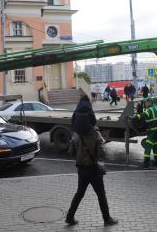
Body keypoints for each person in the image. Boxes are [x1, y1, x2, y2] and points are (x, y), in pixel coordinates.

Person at [66, 95, 118, 226]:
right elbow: (102, 153)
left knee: (79, 194)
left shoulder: (75, 135)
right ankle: (107, 219)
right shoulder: (95, 134)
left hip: (81, 169)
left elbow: (70, 152)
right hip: (93, 170)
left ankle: (69, 217)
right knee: (101, 194)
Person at [134, 97, 157, 168]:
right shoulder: (156, 107)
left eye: (146, 102)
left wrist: (134, 117)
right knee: (156, 146)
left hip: (152, 131)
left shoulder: (149, 110)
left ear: (149, 102)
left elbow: (141, 116)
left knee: (148, 147)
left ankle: (146, 164)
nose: (145, 104)